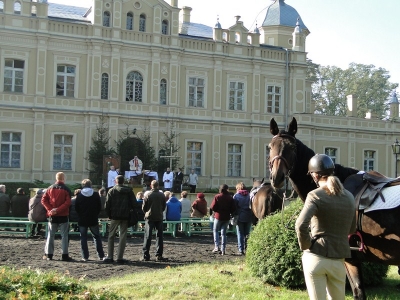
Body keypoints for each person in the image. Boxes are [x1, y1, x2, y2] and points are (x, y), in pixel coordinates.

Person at [295, 154, 356, 300]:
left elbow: (300, 224)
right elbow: (352, 229)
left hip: (316, 257)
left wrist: (306, 245)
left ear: (315, 176)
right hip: (339, 261)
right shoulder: (349, 196)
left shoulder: (315, 195)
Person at [104, 175, 136, 264]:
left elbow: (107, 205)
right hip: (125, 216)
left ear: (115, 181)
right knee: (123, 236)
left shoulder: (111, 190)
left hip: (115, 216)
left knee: (111, 236)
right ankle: (120, 257)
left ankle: (110, 256)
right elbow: (134, 203)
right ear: (123, 181)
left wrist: (109, 215)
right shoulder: (129, 191)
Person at [41, 172, 72, 261]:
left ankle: (49, 255)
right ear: (63, 178)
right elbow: (68, 203)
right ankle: (64, 255)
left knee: (50, 235)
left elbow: (44, 200)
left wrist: (51, 209)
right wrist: (57, 210)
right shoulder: (66, 189)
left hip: (52, 215)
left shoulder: (49, 188)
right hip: (63, 215)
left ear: (56, 178)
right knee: (64, 236)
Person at [75, 179, 105, 262]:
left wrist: (80, 215)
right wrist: (95, 214)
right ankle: (101, 255)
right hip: (93, 218)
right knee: (96, 237)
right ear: (90, 185)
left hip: (82, 219)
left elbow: (77, 208)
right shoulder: (95, 195)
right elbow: (99, 207)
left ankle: (85, 256)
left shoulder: (80, 195)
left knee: (83, 238)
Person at [142, 180, 167, 262]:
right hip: (159, 217)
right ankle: (159, 255)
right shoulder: (162, 195)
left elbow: (144, 207)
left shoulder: (148, 195)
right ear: (158, 186)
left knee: (148, 236)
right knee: (159, 236)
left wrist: (146, 212)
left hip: (149, 217)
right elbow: (164, 206)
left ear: (151, 185)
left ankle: (146, 255)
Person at [210, 184, 236, 255]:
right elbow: (233, 208)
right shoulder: (230, 198)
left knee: (215, 230)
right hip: (226, 217)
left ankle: (216, 246)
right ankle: (223, 249)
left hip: (218, 216)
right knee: (223, 233)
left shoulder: (217, 196)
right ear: (227, 189)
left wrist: (216, 211)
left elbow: (213, 207)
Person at [233, 182, 253, 255]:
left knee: (240, 233)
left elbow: (234, 207)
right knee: (247, 234)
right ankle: (247, 249)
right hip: (249, 216)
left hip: (240, 216)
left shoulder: (236, 196)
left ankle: (241, 250)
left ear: (238, 188)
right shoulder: (250, 195)